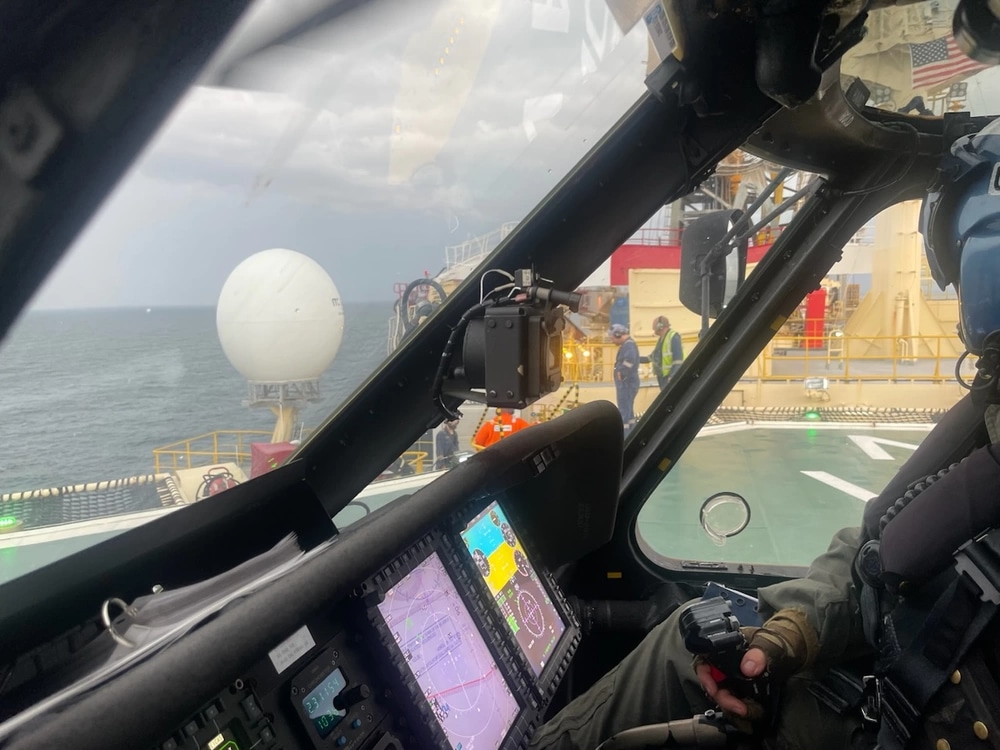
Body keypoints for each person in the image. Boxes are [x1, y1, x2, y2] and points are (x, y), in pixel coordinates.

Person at [530, 118, 1000, 750]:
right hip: (873, 688)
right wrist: (793, 630)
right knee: (682, 643)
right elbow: (875, 551)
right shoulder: (984, 429)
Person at [610, 324, 640, 430]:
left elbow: (630, 359)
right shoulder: (628, 344)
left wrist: (622, 372)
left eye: (613, 338)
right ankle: (632, 430)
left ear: (618, 335)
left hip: (626, 383)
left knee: (624, 409)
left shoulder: (628, 345)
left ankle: (625, 434)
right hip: (627, 382)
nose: (612, 341)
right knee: (628, 410)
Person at [651, 315, 684, 389]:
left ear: (660, 326)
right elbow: (654, 356)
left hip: (669, 378)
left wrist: (672, 376)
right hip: (663, 377)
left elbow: (678, 360)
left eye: (654, 328)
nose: (654, 331)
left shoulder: (673, 337)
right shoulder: (661, 340)